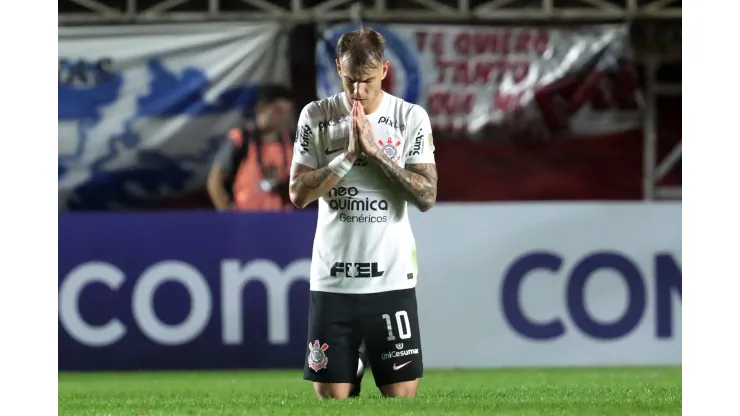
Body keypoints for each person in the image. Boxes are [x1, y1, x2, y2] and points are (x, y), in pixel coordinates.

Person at [289, 28, 438, 399]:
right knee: (333, 397)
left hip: (391, 278)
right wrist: (348, 157)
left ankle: (358, 357)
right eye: (350, 79)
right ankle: (350, 362)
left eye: (367, 80)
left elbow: (427, 195)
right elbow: (297, 193)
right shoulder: (317, 117)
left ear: (385, 70)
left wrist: (376, 153)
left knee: (401, 394)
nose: (358, 90)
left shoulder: (409, 118)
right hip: (333, 279)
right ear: (338, 67)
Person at [207, 85, 296, 211]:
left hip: (283, 220)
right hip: (246, 220)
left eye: (287, 112)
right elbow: (214, 182)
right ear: (261, 108)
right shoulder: (240, 139)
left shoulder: (293, 143)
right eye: (277, 110)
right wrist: (229, 218)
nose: (282, 117)